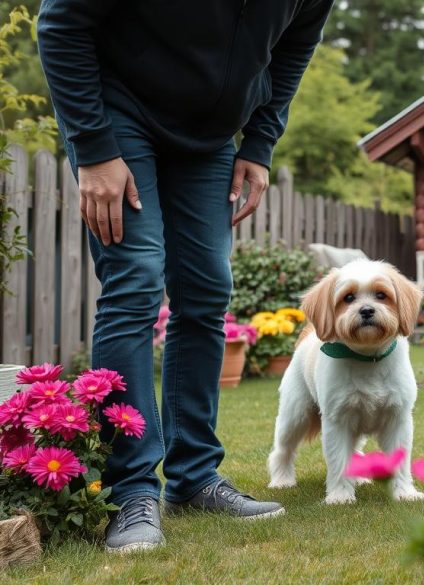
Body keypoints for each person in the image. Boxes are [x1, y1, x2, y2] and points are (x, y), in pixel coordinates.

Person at [37, 0, 334, 553]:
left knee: (206, 291)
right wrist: (95, 148)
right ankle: (130, 491)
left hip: (210, 137)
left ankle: (195, 475)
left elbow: (292, 51)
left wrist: (260, 144)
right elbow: (61, 25)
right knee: (136, 282)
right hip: (118, 113)